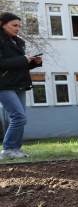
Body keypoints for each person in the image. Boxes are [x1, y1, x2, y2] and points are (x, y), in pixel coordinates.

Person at [0, 12, 42, 160]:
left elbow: (18, 65)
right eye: (14, 25)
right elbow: (2, 63)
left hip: (18, 84)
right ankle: (7, 149)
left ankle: (16, 149)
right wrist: (23, 59)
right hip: (4, 86)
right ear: (2, 24)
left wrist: (32, 62)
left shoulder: (17, 42)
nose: (18, 28)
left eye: (19, 25)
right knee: (19, 117)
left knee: (20, 118)